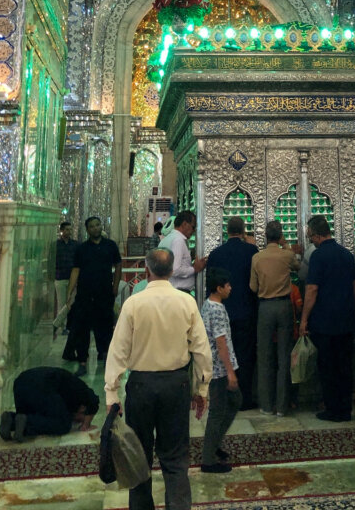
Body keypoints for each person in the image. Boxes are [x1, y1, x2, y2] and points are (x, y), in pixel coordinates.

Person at [105, 247, 213, 510]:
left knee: (138, 456)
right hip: (176, 386)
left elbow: (117, 351)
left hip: (141, 386)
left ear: (146, 271)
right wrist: (202, 388)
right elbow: (202, 350)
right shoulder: (186, 302)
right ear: (173, 271)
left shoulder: (134, 303)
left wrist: (112, 393)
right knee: (175, 457)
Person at [299, 215, 355, 422]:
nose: (310, 240)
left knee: (328, 367)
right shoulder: (346, 254)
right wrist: (352, 307)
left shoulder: (318, 256)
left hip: (324, 322)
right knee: (345, 367)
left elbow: (312, 289)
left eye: (309, 236)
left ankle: (333, 409)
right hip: (345, 320)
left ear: (316, 235)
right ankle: (345, 409)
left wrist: (304, 319)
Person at [206, 216, 258, 408]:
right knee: (245, 356)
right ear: (243, 231)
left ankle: (225, 398)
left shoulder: (215, 254)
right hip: (246, 311)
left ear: (226, 231)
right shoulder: (252, 251)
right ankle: (244, 399)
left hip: (222, 312)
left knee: (223, 355)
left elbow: (209, 288)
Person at [249, 220, 299, 417]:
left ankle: (267, 405)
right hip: (284, 306)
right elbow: (298, 266)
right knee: (284, 355)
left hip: (265, 307)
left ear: (265, 237)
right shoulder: (286, 255)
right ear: (279, 237)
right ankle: (282, 405)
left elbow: (253, 287)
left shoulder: (257, 258)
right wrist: (286, 245)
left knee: (265, 356)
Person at [63, 216, 122, 376]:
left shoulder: (110, 246)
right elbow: (76, 270)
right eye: (92, 226)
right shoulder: (82, 249)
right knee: (82, 328)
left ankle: (105, 356)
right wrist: (69, 292)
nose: (95, 228)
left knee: (104, 327)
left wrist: (115, 286)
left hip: (104, 294)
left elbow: (118, 265)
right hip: (85, 295)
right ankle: (82, 361)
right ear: (87, 230)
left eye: (97, 225)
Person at [200, 267, 241, 473]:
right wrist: (230, 373)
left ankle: (214, 444)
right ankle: (208, 459)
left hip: (218, 367)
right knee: (217, 412)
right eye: (228, 285)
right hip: (219, 370)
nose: (230, 288)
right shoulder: (216, 310)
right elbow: (221, 342)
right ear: (219, 288)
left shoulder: (209, 305)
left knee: (235, 401)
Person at [0, 366, 99, 441]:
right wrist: (86, 425)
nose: (78, 421)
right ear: (83, 409)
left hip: (20, 383)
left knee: (35, 416)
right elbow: (94, 401)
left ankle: (11, 420)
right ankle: (26, 423)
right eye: (82, 419)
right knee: (63, 425)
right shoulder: (80, 390)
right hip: (41, 385)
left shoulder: (66, 398)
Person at [158, 210, 206, 293]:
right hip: (178, 291)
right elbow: (175, 269)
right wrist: (194, 269)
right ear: (184, 224)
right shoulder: (178, 240)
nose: (194, 231)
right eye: (193, 227)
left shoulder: (166, 239)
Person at [53, 221, 77, 336]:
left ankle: (57, 323)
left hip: (73, 278)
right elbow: (51, 261)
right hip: (60, 277)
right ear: (61, 231)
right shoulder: (56, 245)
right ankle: (63, 328)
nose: (69, 231)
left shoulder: (75, 245)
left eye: (70, 229)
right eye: (67, 229)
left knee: (70, 302)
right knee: (62, 303)